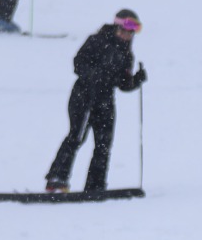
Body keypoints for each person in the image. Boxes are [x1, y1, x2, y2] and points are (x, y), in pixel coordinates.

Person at [44, 10, 147, 193]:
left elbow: (123, 83)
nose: (128, 35)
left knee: (103, 144)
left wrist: (136, 80)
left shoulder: (126, 54)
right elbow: (78, 63)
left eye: (132, 31)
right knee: (76, 136)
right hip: (84, 95)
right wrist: (94, 75)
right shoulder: (98, 41)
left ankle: (95, 185)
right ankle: (57, 178)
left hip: (105, 100)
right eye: (126, 29)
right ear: (117, 27)